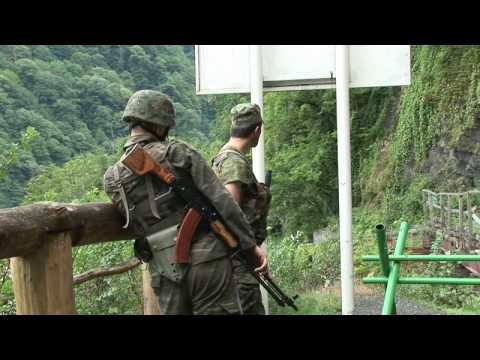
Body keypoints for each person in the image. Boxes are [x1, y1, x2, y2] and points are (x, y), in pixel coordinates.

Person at [103, 90, 267, 315]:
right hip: (207, 260)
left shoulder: (112, 178)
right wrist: (250, 246)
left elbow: (136, 224)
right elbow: (224, 202)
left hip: (163, 268)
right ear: (159, 126)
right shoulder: (177, 153)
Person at [212, 103, 272, 315]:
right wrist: (252, 250)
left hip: (238, 258)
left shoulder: (224, 157)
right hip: (238, 262)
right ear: (257, 131)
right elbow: (229, 211)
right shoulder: (233, 162)